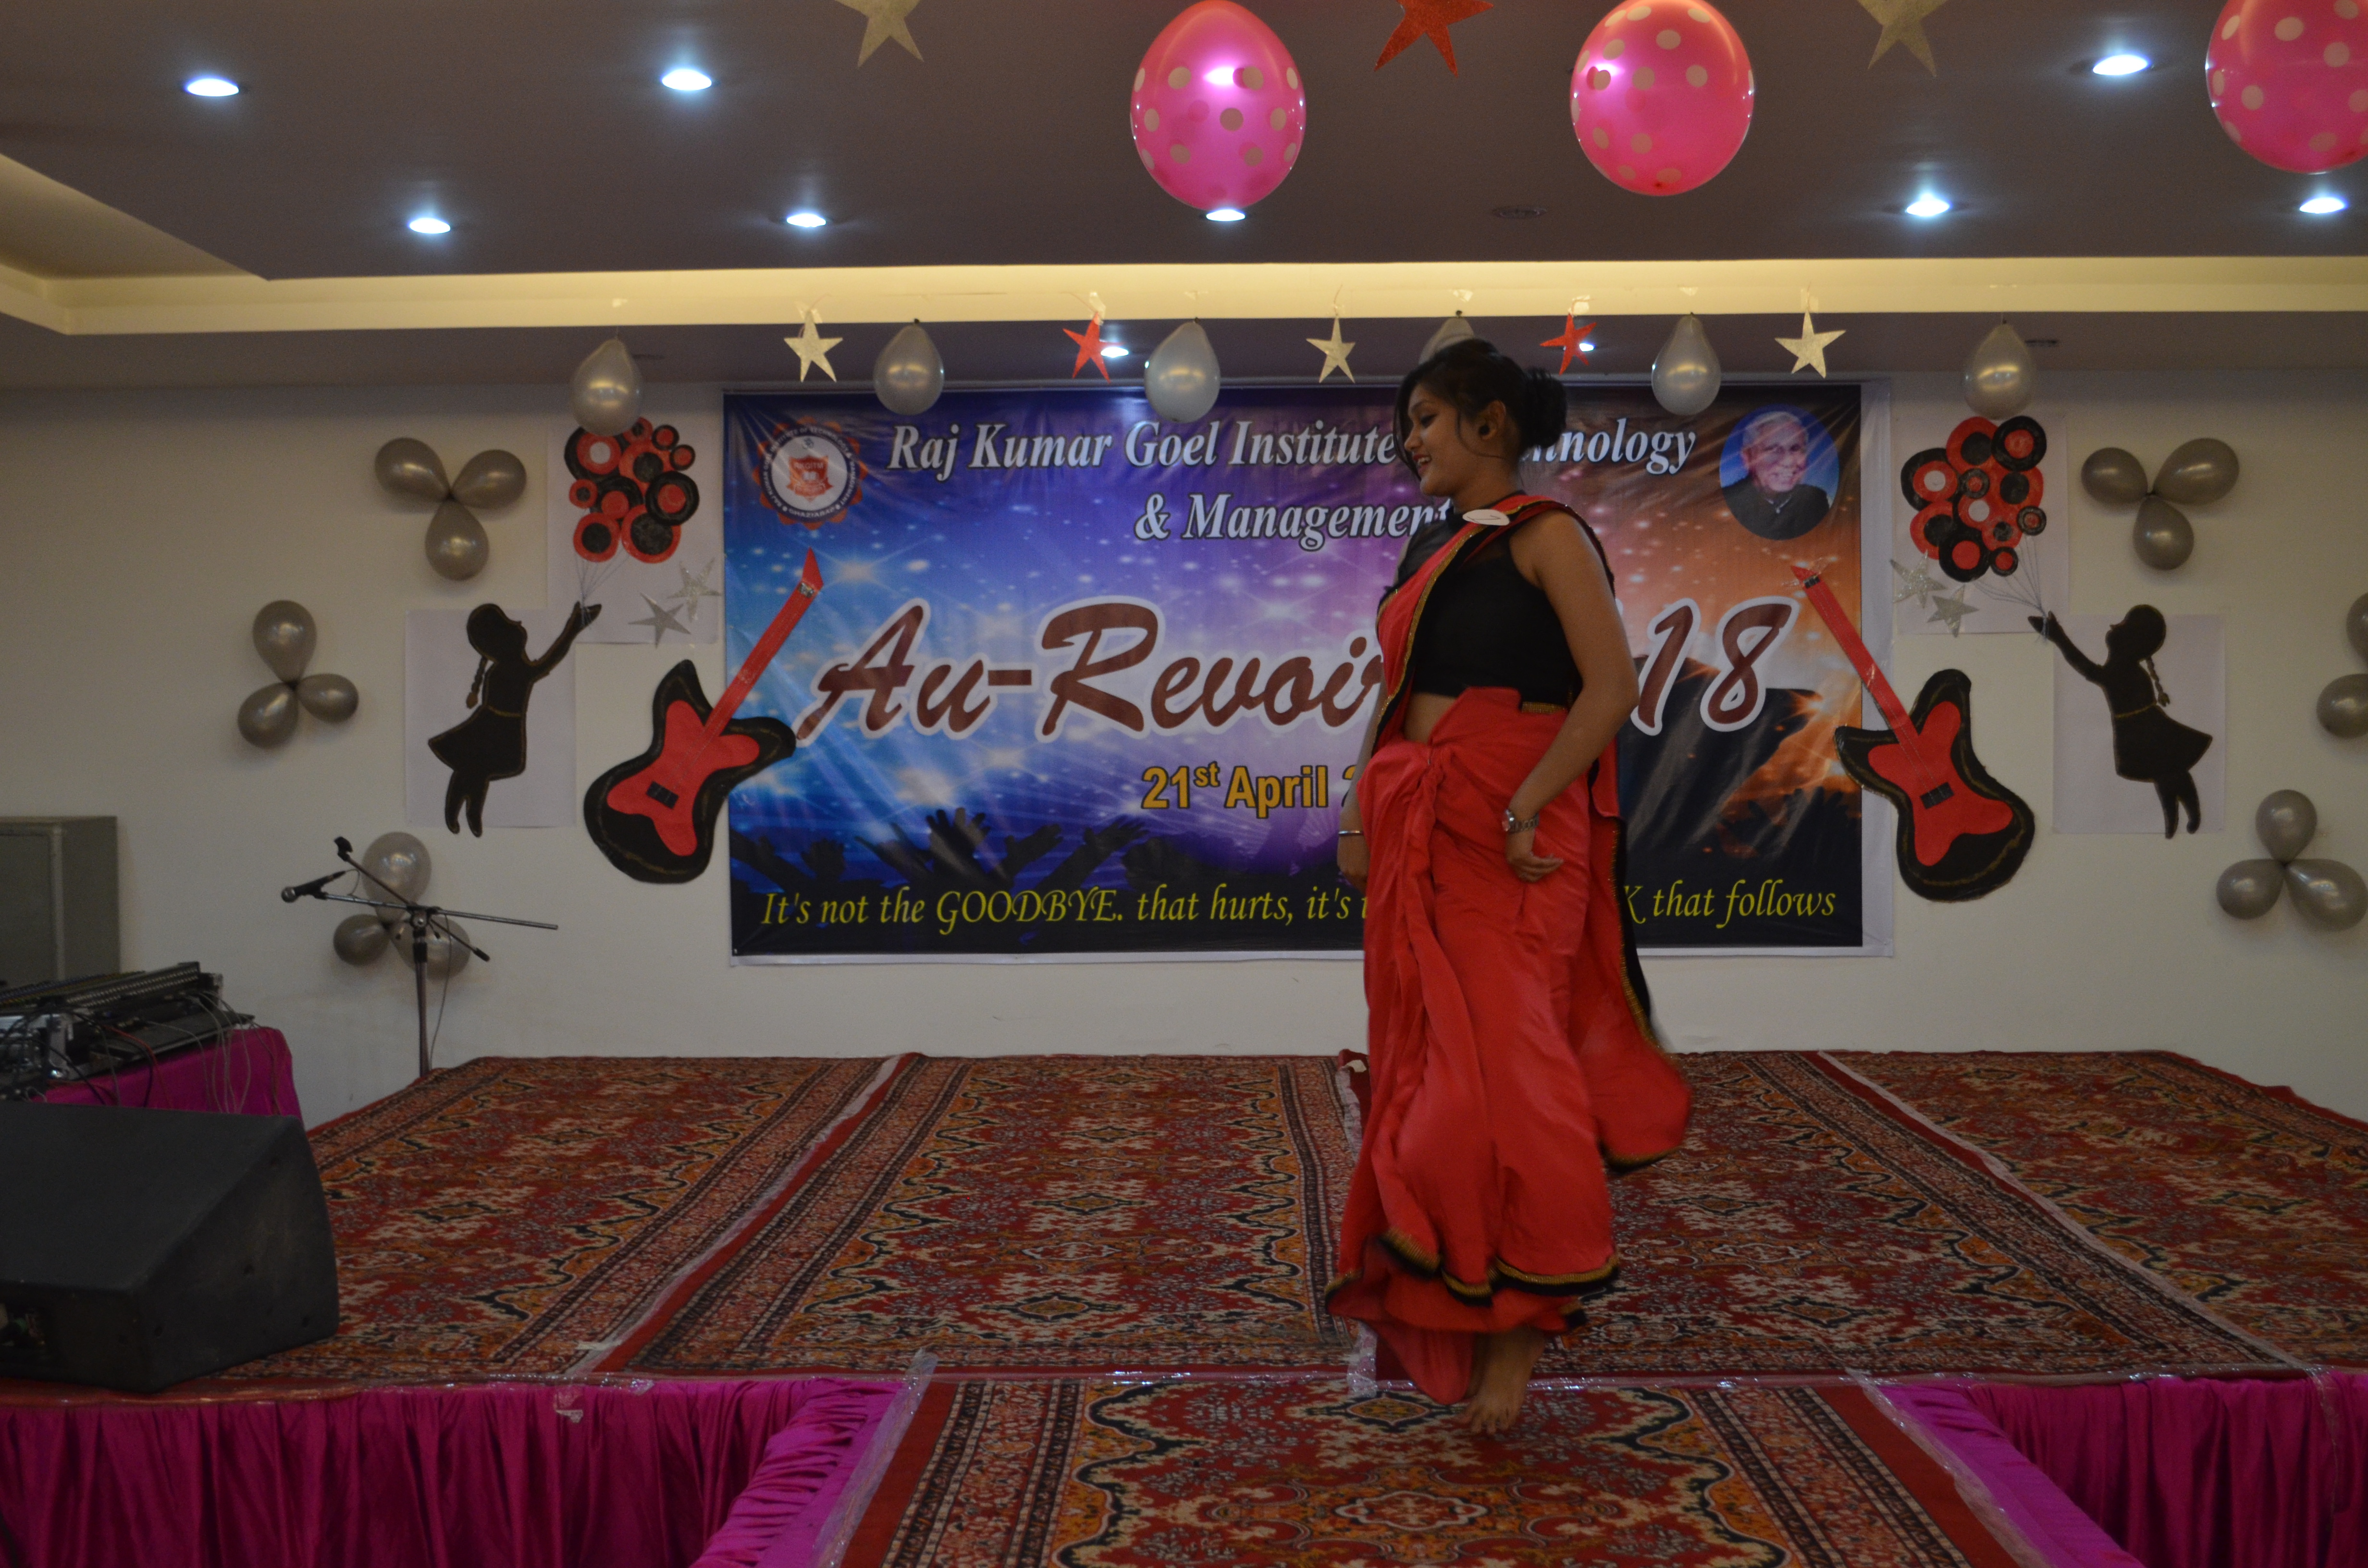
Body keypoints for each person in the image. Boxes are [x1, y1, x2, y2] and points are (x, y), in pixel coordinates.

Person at [1329, 339, 1692, 1434]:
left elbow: (1610, 687)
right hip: (1423, 816)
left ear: (1490, 423)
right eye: (1408, 424)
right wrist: (1357, 808)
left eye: (1427, 419)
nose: (1411, 441)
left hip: (1517, 830)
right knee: (1430, 1076)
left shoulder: (1548, 536)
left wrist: (1525, 804)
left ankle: (1523, 1323)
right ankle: (1468, 1293)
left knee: (1512, 1079)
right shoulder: (1431, 544)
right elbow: (1396, 692)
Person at [2032, 607, 2211, 837]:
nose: (2113, 626)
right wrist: (2058, 636)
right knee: (2170, 771)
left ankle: (2182, 817)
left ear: (2130, 639)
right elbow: (2090, 670)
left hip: (2143, 731)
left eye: (2122, 625)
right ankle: (2182, 817)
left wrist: (2059, 637)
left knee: (2168, 773)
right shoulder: (2127, 668)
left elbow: (2087, 668)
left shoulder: (2121, 670)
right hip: (2146, 727)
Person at [429, 600, 599, 835]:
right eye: (511, 623)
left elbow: (547, 662)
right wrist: (572, 630)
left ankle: (468, 813)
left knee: (474, 770)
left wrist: (573, 628)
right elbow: (549, 661)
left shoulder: (507, 668)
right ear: (506, 638)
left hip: (497, 726)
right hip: (495, 728)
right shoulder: (512, 669)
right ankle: (462, 812)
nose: (519, 623)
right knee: (474, 770)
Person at [1721, 408, 1830, 540]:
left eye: (1795, 449)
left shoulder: (1818, 500)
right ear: (1748, 457)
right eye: (1774, 450)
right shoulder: (1726, 502)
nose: (1788, 462)